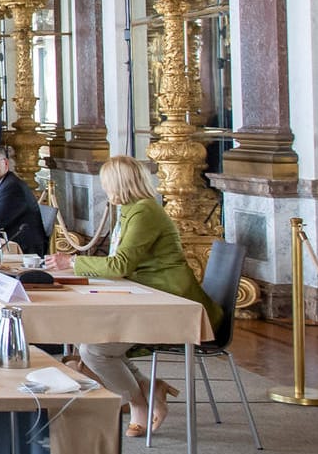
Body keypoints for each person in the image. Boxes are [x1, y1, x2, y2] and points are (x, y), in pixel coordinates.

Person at [46, 156, 221, 437]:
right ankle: (149, 389)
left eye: (107, 184)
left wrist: (74, 263)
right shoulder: (131, 210)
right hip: (146, 294)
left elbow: (119, 266)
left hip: (171, 302)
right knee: (88, 335)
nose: (105, 190)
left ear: (120, 184)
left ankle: (138, 403)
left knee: (95, 349)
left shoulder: (144, 212)